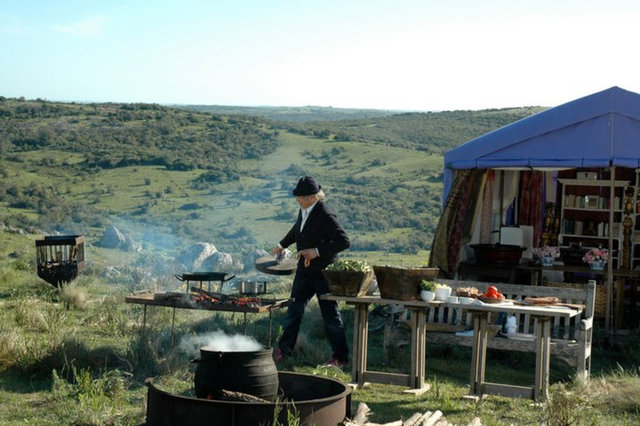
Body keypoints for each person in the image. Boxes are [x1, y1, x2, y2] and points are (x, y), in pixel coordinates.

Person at [273, 176, 350, 367]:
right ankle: (284, 350)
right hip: (305, 272)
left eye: (300, 196)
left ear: (312, 197)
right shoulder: (305, 210)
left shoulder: (325, 214)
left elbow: (344, 241)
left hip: (323, 273)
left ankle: (340, 358)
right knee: (294, 310)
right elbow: (298, 229)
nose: (297, 199)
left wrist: (315, 252)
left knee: (330, 315)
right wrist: (281, 245)